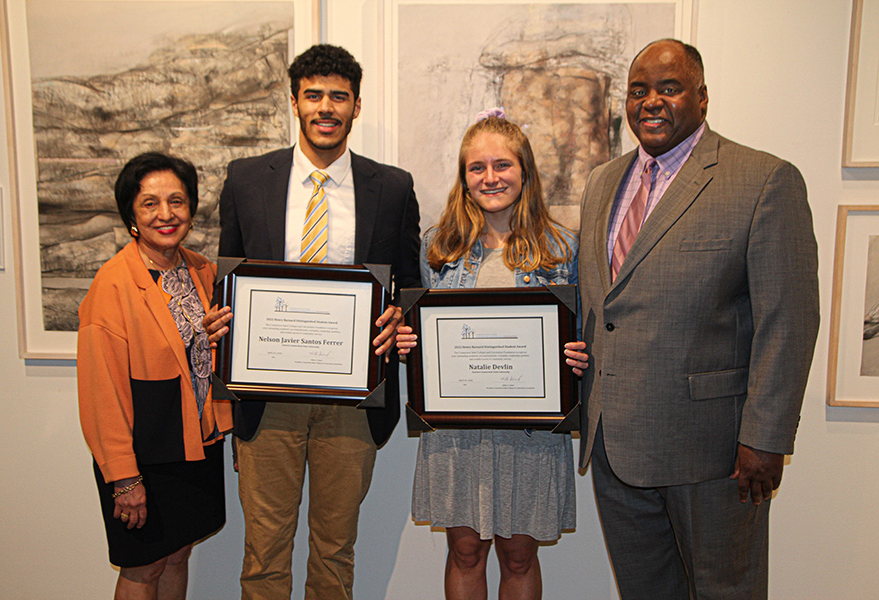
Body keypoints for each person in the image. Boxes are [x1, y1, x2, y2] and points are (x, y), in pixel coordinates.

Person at [577, 39, 819, 599]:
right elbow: (603, 306)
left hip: (714, 452)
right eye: (639, 90)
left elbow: (789, 319)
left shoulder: (763, 181)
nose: (651, 101)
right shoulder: (601, 184)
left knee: (724, 591)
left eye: (669, 87)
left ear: (703, 98)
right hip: (614, 445)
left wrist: (766, 437)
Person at [206, 44, 420, 600]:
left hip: (352, 400)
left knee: (334, 551)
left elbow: (411, 286)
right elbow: (226, 278)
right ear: (295, 101)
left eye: (339, 97)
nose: (327, 107)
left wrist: (401, 317)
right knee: (264, 553)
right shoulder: (247, 179)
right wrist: (220, 319)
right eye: (315, 95)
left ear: (355, 106)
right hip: (266, 396)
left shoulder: (392, 187)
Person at [396, 111, 583, 600]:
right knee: (464, 553)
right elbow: (423, 334)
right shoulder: (439, 247)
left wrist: (578, 355)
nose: (490, 177)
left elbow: (580, 334)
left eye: (502, 165)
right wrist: (409, 346)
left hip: (531, 431)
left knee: (519, 556)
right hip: (458, 430)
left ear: (525, 172)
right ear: (464, 178)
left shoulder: (562, 248)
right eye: (476, 168)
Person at [77, 152, 233, 600]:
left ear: (191, 207)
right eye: (150, 203)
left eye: (176, 201)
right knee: (143, 567)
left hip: (195, 445)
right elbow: (100, 393)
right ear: (131, 212)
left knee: (178, 554)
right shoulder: (112, 286)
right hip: (143, 454)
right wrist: (125, 478)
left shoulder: (204, 271)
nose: (166, 214)